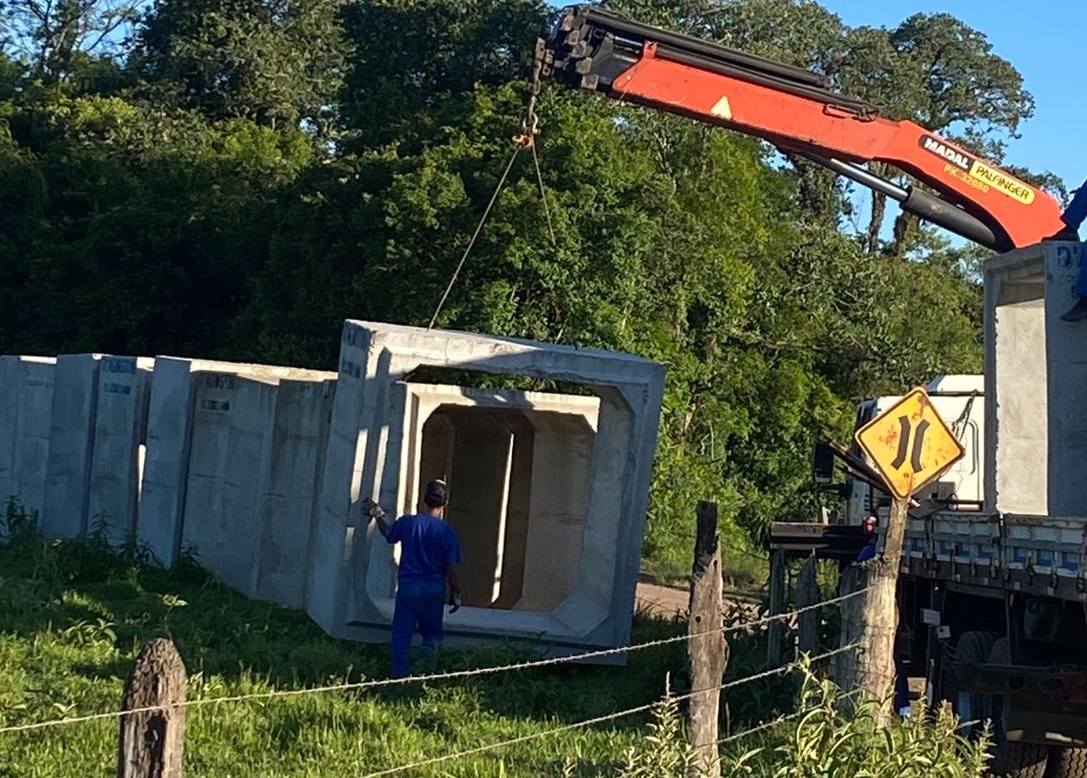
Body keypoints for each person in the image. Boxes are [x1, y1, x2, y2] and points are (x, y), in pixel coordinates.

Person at [363, 479, 463, 679]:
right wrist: (457, 593)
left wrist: (378, 514)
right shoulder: (447, 533)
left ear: (424, 501)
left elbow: (388, 533)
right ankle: (425, 678)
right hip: (434, 591)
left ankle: (400, 679)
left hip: (409, 588)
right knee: (432, 636)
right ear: (445, 503)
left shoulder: (408, 523)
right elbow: (452, 568)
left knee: (401, 637)